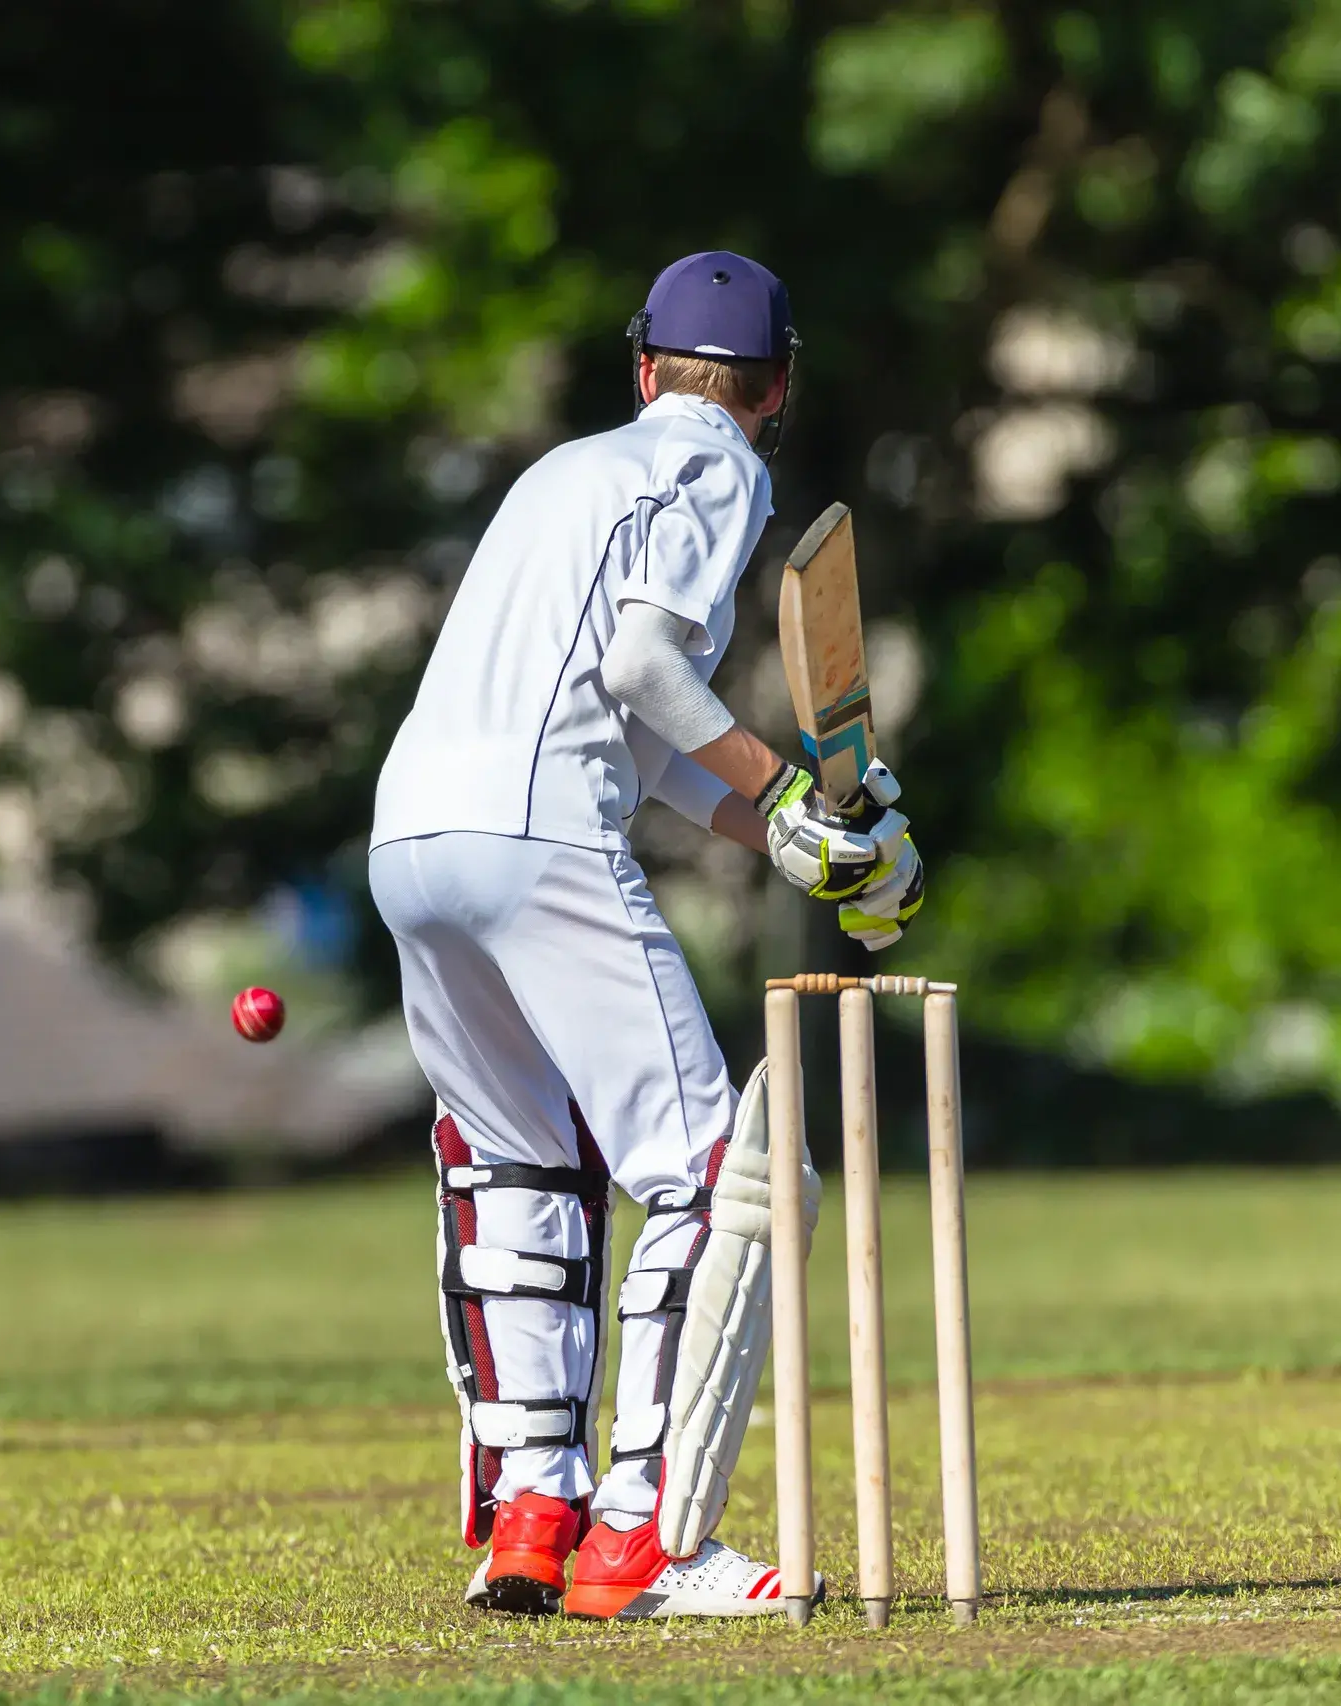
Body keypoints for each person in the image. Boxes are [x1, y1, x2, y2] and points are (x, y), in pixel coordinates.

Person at [366, 252, 923, 1618]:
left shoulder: (559, 475)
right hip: (540, 833)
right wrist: (789, 789)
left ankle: (533, 1513)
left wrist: (782, 836)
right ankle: (648, 1539)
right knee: (725, 1171)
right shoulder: (717, 466)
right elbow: (642, 669)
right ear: (774, 388)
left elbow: (633, 724)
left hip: (410, 837)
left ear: (641, 366)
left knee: (513, 1159)